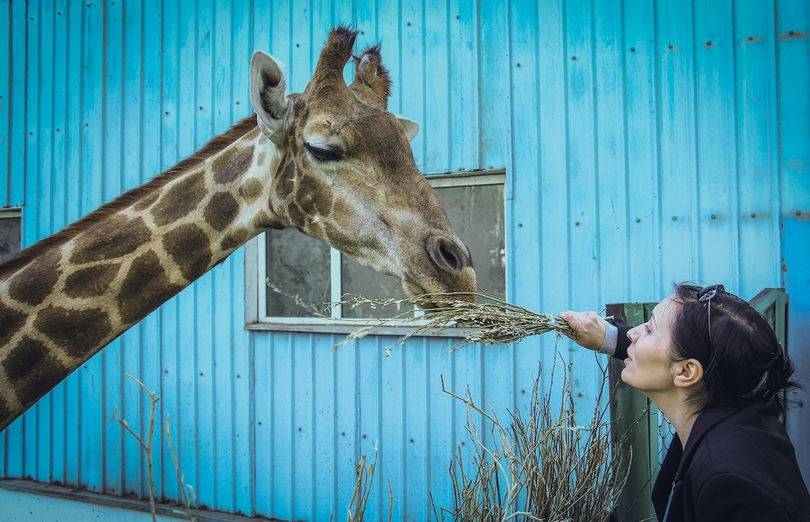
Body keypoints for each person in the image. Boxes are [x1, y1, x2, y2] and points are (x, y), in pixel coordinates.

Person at [560, 283, 810, 522]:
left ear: (687, 372)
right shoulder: (745, 412)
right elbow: (680, 355)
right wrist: (609, 337)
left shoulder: (730, 485)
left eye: (649, 329)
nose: (634, 332)